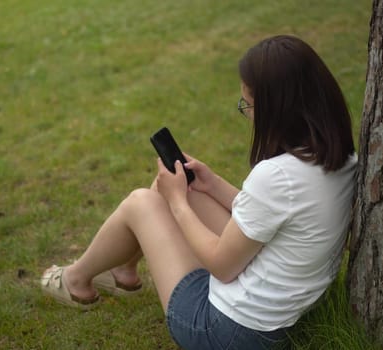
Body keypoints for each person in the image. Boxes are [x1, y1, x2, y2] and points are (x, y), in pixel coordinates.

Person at [41, 34, 357, 349]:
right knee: (178, 189)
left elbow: (222, 265)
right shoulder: (341, 159)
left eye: (247, 105)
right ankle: (123, 271)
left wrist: (179, 203)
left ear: (276, 109)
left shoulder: (275, 176)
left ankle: (75, 280)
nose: (247, 114)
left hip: (224, 332)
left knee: (143, 202)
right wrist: (213, 183)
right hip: (282, 316)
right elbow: (272, 216)